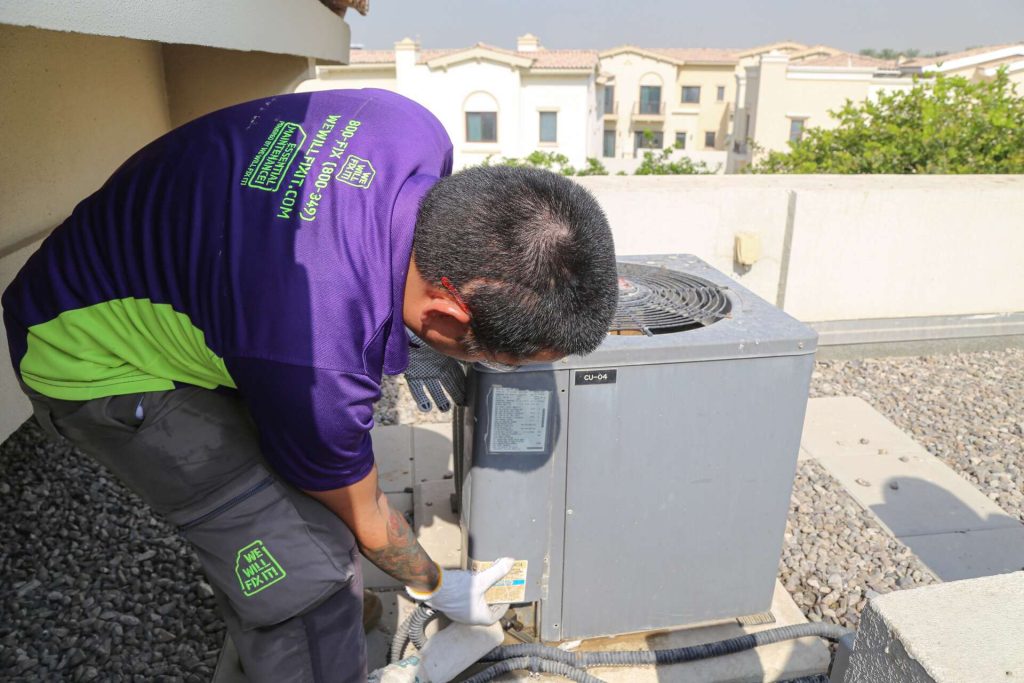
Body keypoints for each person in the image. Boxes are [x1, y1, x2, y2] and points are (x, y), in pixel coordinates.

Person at [2, 89, 618, 681]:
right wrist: (437, 584)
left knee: (299, 504)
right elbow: (369, 516)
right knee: (309, 574)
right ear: (446, 319)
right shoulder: (319, 358)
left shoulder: (409, 126)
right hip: (86, 352)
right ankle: (312, 642)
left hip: (154, 267)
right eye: (502, 359)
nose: (499, 368)